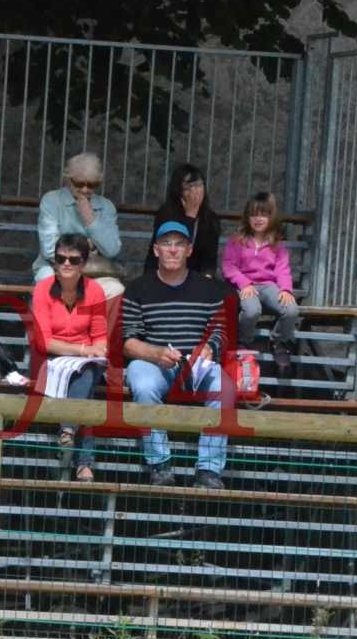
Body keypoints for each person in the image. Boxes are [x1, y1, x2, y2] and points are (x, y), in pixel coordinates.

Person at [121, 221, 230, 490]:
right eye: (166, 244)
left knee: (224, 387)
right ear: (156, 250)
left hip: (197, 365)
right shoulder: (137, 288)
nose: (172, 250)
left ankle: (209, 470)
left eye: (179, 244)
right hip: (152, 362)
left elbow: (221, 332)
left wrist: (208, 349)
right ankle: (159, 465)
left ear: (189, 250)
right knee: (143, 385)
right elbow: (127, 342)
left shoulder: (210, 289)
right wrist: (155, 353)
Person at [30, 234, 109, 482]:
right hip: (50, 359)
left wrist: (96, 351)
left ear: (83, 264)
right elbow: (44, 342)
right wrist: (84, 351)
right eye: (61, 258)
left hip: (82, 363)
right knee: (86, 386)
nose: (66, 264)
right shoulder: (42, 290)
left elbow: (99, 335)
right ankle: (84, 462)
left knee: (85, 374)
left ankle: (67, 430)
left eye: (73, 260)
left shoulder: (94, 291)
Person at [222, 191, 299, 372]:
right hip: (245, 285)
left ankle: (279, 342)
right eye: (254, 214)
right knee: (251, 310)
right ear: (247, 217)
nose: (258, 219)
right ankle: (243, 341)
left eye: (263, 214)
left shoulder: (277, 245)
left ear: (271, 217)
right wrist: (244, 283)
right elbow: (229, 267)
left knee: (291, 309)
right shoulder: (236, 242)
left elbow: (283, 270)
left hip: (269, 286)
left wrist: (286, 289)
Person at [33, 152, 123, 297]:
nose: (85, 190)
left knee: (115, 290)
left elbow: (112, 250)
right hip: (55, 267)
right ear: (68, 180)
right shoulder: (51, 201)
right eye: (79, 184)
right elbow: (49, 249)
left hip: (96, 271)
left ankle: (98, 321)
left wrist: (91, 221)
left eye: (92, 185)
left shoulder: (106, 206)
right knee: (49, 285)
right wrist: (88, 245)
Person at [145, 163, 220, 276]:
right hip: (165, 273)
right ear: (178, 191)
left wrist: (207, 279)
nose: (194, 191)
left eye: (198, 185)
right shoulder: (166, 213)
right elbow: (173, 251)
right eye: (188, 187)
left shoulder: (211, 219)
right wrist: (190, 217)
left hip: (195, 279)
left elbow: (209, 260)